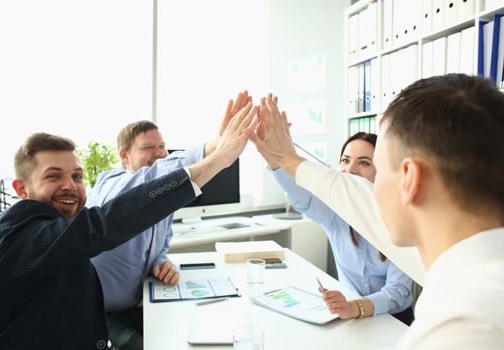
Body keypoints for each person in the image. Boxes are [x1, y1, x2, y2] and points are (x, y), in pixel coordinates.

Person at [250, 74, 504, 349]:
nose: (355, 177)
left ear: (410, 179)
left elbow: (357, 198)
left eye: (377, 167)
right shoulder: (473, 278)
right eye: (345, 162)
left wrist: (288, 158)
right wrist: (283, 161)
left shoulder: (459, 328)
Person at [0, 100, 258, 349]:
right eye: (53, 176)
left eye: (76, 176)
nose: (70, 186)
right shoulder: (11, 232)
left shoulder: (64, 223)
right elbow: (102, 225)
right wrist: (216, 157)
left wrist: (160, 260)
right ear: (22, 189)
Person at [86, 91, 252, 350]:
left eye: (162, 146)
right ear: (124, 156)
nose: (160, 153)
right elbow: (153, 178)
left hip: (143, 301)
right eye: (148, 148)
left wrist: (161, 262)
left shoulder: (163, 203)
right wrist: (213, 148)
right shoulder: (112, 185)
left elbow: (160, 246)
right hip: (105, 313)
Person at [270, 131, 414, 325]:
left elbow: (397, 293)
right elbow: (301, 196)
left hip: (392, 320)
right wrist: (272, 156)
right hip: (350, 317)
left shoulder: (403, 222)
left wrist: (354, 307)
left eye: (363, 162)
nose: (349, 170)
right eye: (345, 160)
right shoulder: (336, 213)